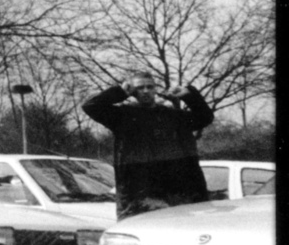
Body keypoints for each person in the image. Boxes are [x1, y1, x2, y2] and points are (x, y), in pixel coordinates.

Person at [82, 73, 214, 219]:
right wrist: (119, 92)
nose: (145, 91)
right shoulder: (121, 116)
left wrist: (189, 95)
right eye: (139, 87)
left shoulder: (173, 116)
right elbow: (90, 106)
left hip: (177, 191)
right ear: (132, 91)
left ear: (155, 89)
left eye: (149, 87)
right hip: (139, 193)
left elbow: (205, 117)